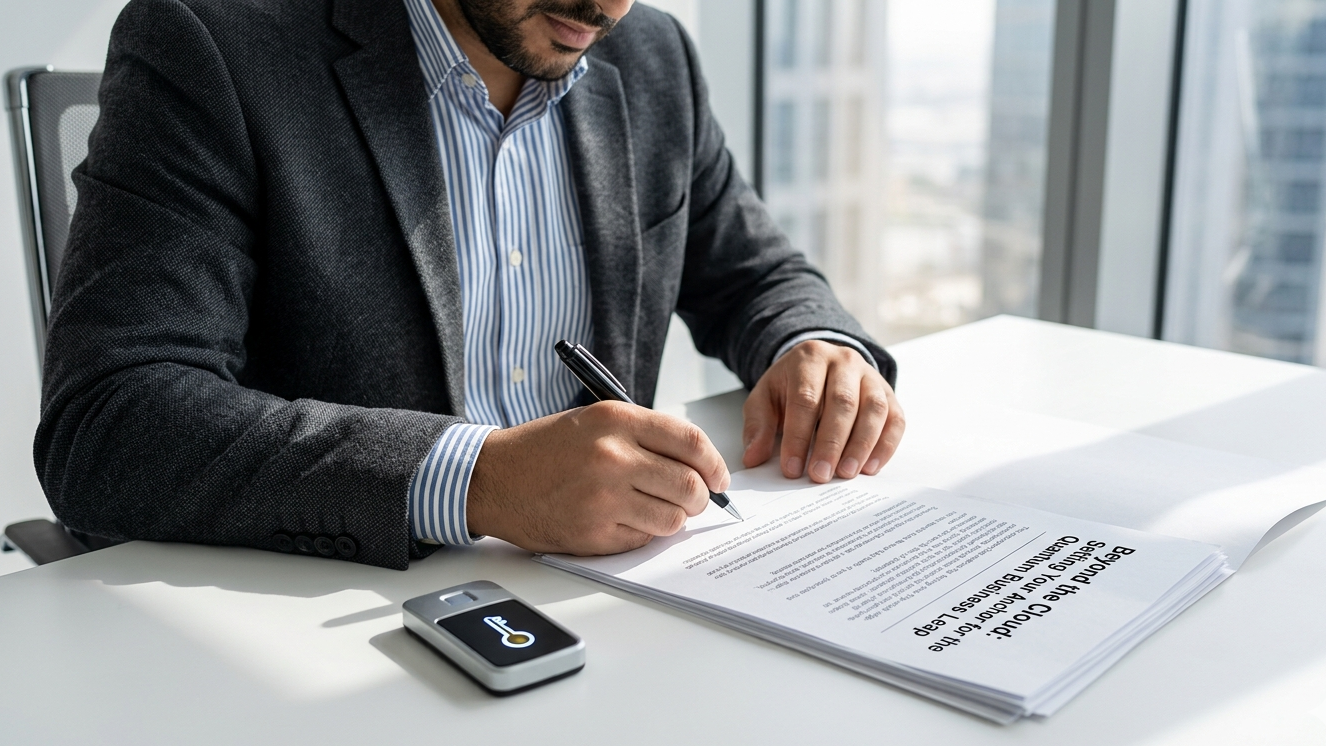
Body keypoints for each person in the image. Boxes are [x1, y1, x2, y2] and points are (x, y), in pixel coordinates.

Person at [34, 0, 905, 570]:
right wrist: (478, 478)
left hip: (614, 606)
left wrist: (810, 343)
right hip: (338, 628)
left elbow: (753, 270)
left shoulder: (653, 58)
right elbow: (109, 422)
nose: (605, 7)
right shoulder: (209, 38)